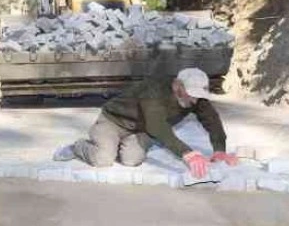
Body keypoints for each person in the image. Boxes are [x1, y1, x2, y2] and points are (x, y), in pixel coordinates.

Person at [52, 68, 239, 179]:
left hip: (140, 130)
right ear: (177, 86)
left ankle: (117, 146)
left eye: (198, 96)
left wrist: (219, 149)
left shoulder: (195, 98)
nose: (194, 101)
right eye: (191, 94)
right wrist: (187, 153)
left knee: (132, 160)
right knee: (103, 159)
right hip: (114, 121)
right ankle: (78, 147)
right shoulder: (153, 89)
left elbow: (212, 120)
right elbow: (156, 125)